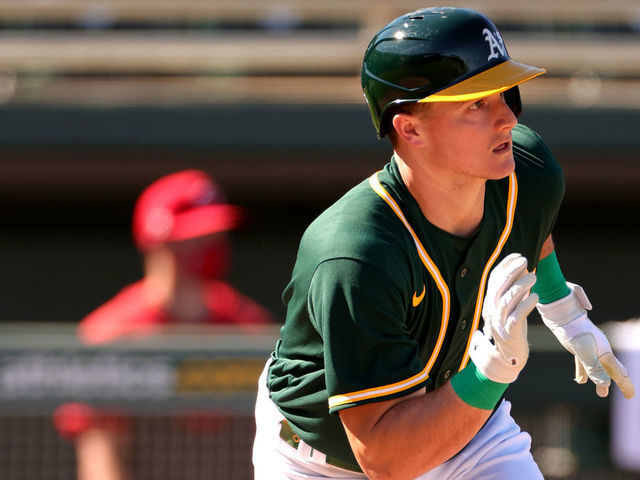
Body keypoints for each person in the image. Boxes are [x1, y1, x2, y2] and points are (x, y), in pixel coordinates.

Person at [252, 7, 635, 480]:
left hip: (467, 424)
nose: (506, 118)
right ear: (409, 129)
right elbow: (386, 458)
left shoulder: (526, 169)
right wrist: (492, 370)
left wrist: (563, 311)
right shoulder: (356, 253)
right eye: (476, 103)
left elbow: (530, 227)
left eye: (505, 93)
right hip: (326, 459)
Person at [53, 169, 274, 480]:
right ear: (156, 239)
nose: (205, 247)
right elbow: (100, 462)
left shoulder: (247, 330)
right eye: (192, 237)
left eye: (212, 235)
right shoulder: (111, 334)